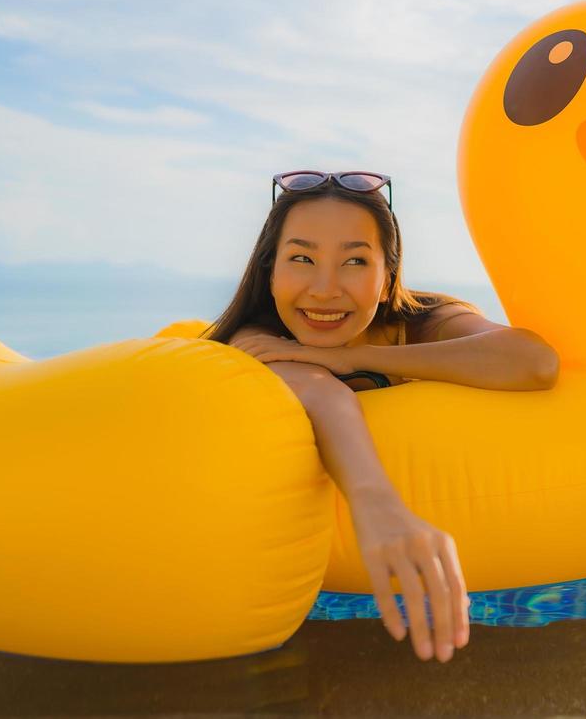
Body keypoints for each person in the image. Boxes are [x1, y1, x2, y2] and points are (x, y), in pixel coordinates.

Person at [203, 170, 560, 664]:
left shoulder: (426, 319)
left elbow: (534, 362)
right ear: (270, 271)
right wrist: (374, 501)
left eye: (354, 261)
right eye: (302, 258)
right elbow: (319, 392)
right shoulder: (258, 336)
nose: (325, 289)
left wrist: (355, 359)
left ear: (388, 275)